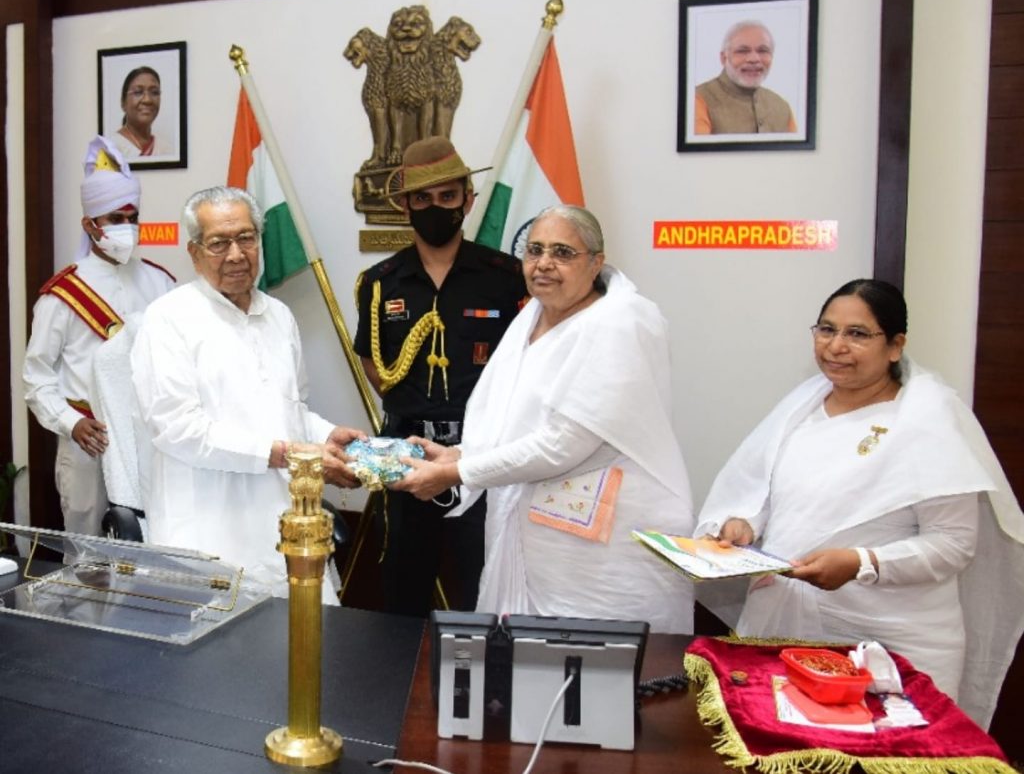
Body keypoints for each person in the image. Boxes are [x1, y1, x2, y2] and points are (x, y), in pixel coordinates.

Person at [695, 279, 1024, 728]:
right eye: (826, 329)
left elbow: (953, 545)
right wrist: (742, 524)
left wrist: (861, 562)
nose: (836, 346)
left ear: (895, 346)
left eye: (857, 334)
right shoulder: (803, 405)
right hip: (793, 635)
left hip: (895, 647)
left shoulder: (928, 417)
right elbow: (760, 494)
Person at [391, 205, 696, 634]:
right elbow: (514, 422)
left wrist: (455, 472)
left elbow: (563, 443)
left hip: (602, 553)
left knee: (604, 674)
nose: (544, 263)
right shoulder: (531, 317)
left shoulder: (622, 321)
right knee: (526, 668)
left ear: (596, 262)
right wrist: (458, 453)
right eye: (534, 250)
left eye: (563, 252)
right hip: (536, 536)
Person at [131, 186, 364, 599]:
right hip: (210, 535)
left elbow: (290, 409)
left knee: (306, 649)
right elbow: (178, 429)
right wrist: (287, 454)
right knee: (221, 659)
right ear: (194, 253)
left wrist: (326, 435)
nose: (236, 255)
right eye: (219, 243)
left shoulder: (278, 316)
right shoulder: (168, 319)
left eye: (246, 238)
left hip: (286, 524)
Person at [353, 136, 527, 617]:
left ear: (468, 201)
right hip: (404, 458)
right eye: (423, 199)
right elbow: (371, 358)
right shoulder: (380, 282)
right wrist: (412, 408)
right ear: (404, 205)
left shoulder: (507, 277)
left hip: (480, 458)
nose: (436, 208)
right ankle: (400, 689)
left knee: (483, 589)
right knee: (402, 591)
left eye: (448, 197)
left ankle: (478, 690)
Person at [23, 135, 176, 536]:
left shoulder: (161, 282)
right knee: (90, 557)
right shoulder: (62, 295)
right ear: (90, 224)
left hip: (147, 438)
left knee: (152, 546)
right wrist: (71, 423)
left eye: (132, 217)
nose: (127, 227)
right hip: (90, 442)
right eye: (115, 219)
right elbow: (36, 378)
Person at [694, 20, 797, 135]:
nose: (754, 59)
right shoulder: (698, 99)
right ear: (723, 58)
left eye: (763, 51)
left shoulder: (781, 107)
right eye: (742, 51)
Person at [113, 66, 173, 159]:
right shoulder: (110, 148)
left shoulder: (167, 150)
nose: (147, 100)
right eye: (138, 92)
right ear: (123, 102)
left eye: (154, 92)